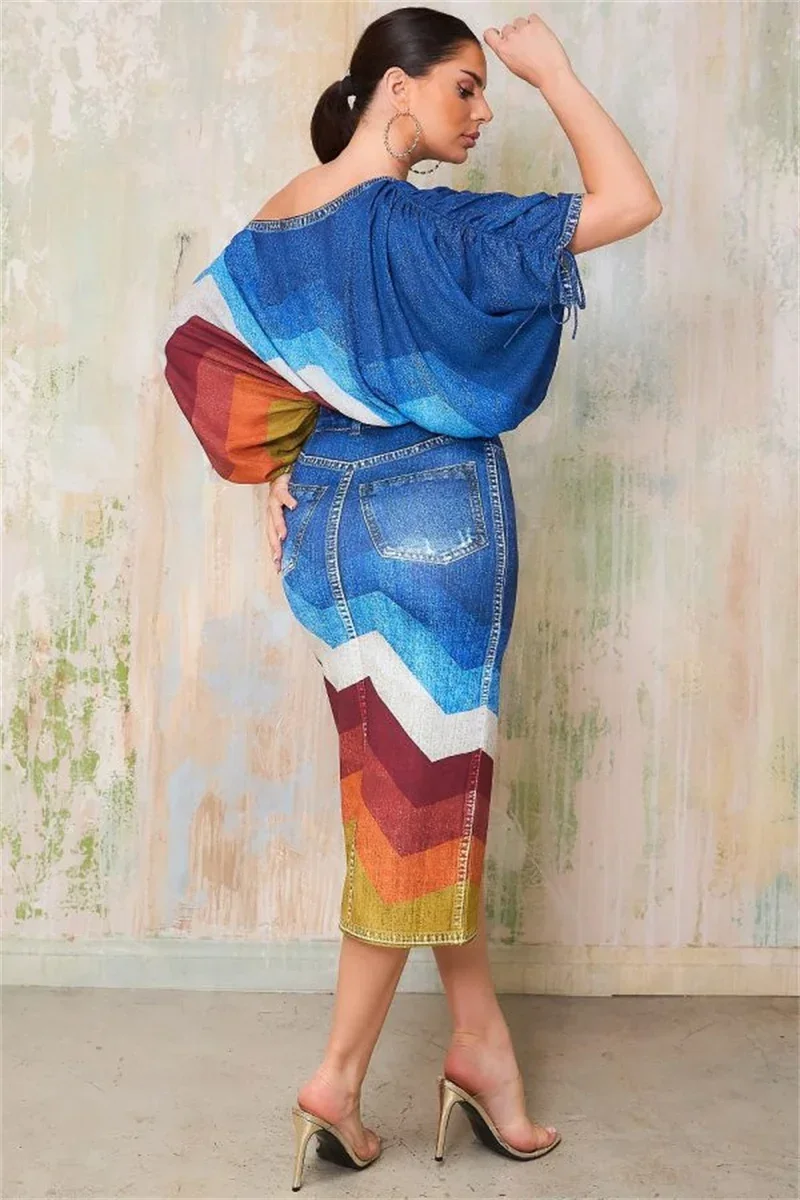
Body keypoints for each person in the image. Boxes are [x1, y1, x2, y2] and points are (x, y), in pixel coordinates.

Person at [162, 7, 661, 1192]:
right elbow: (630, 200)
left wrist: (273, 470)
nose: (482, 113)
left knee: (420, 793)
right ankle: (334, 1079)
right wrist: (555, 72)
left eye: (491, 91)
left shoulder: (285, 214)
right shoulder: (442, 231)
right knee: (412, 811)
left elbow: (202, 348)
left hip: (329, 532)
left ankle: (480, 1047)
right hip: (436, 523)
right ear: (397, 89)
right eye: (465, 88)